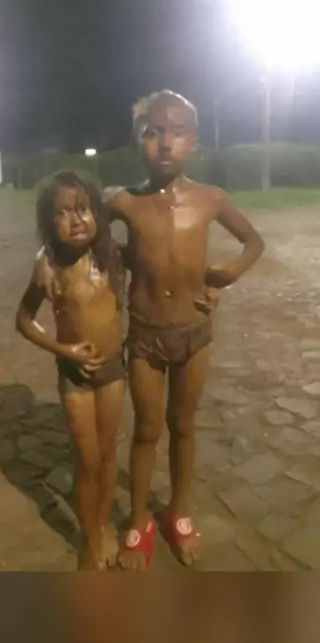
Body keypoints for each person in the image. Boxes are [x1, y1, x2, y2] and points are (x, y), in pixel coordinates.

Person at [108, 90, 265, 569]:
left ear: (193, 141)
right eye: (152, 132)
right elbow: (88, 240)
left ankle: (178, 513)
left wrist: (226, 275)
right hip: (145, 335)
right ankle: (138, 519)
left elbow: (253, 241)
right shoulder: (123, 202)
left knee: (183, 425)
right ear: (137, 141)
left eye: (177, 132)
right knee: (146, 429)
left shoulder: (210, 198)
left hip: (194, 333)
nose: (164, 143)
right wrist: (119, 261)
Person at [16, 169, 125, 570]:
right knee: (87, 460)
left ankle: (105, 524)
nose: (75, 220)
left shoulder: (113, 256)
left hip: (113, 372)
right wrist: (64, 350)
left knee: (108, 456)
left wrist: (208, 286)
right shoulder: (52, 270)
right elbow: (24, 320)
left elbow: (150, 241)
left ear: (97, 213)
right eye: (62, 213)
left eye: (83, 209)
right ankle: (90, 538)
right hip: (75, 378)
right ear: (49, 223)